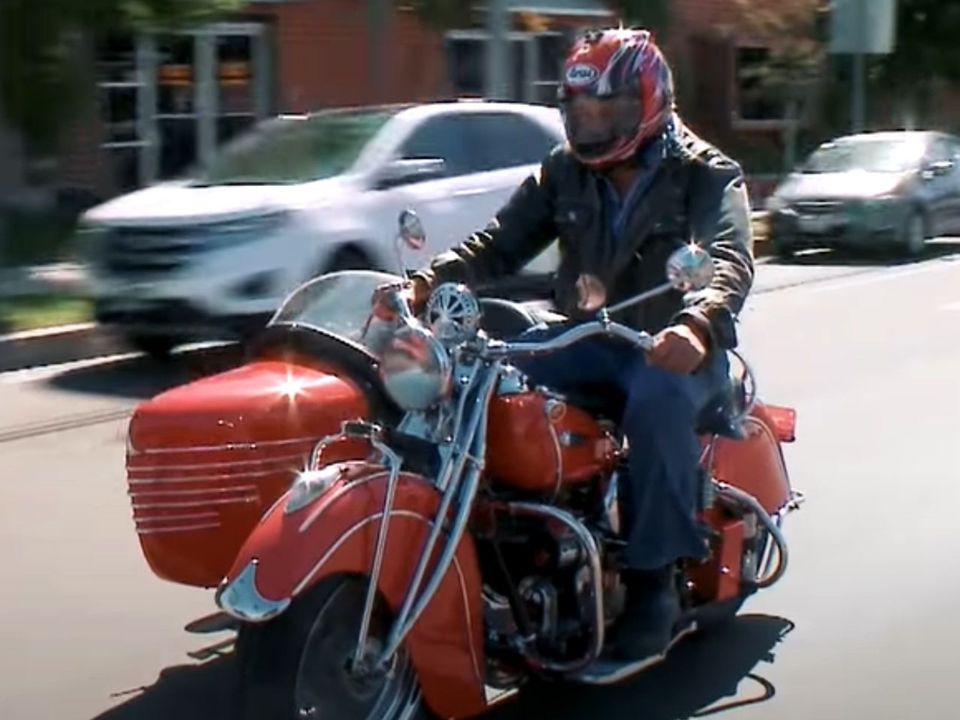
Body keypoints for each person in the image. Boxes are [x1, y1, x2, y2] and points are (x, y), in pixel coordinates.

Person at [399, 28, 755, 662]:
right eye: (581, 111)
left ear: (649, 102)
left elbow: (728, 256)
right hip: (586, 335)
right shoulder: (564, 170)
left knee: (656, 399)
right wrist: (431, 280)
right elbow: (500, 243)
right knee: (475, 377)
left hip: (669, 347)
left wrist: (698, 323)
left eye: (607, 110)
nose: (592, 125)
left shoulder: (704, 172)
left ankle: (653, 585)